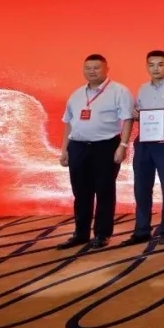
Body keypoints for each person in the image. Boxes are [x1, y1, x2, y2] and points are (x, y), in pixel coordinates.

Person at [58, 54, 133, 249]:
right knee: (80, 192)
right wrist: (64, 149)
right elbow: (68, 123)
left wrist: (123, 146)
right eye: (88, 68)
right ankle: (80, 233)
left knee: (104, 191)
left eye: (96, 68)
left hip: (105, 146)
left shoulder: (119, 91)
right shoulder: (76, 94)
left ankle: (102, 234)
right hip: (78, 146)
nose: (92, 71)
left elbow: (127, 119)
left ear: (107, 69)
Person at [121, 50, 164, 247]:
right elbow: (139, 114)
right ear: (147, 67)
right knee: (141, 187)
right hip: (144, 142)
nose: (156, 68)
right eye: (151, 65)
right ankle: (141, 230)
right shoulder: (143, 89)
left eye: (160, 64)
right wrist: (136, 114)